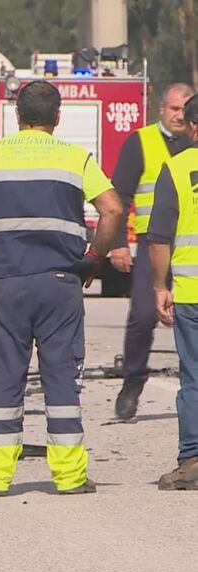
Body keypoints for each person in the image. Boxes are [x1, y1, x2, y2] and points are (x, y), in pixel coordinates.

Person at [0, 81, 124, 496]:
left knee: (4, 378)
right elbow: (112, 208)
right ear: (58, 117)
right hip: (59, 283)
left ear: (17, 116)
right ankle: (70, 478)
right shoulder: (75, 158)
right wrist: (94, 257)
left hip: (6, 282)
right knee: (60, 378)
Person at [110, 83, 196, 422]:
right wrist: (118, 242)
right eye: (174, 108)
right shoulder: (141, 141)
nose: (179, 115)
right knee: (144, 314)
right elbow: (120, 194)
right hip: (153, 243)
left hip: (190, 247)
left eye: (185, 109)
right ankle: (133, 382)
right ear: (162, 109)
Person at [146, 94, 198, 489]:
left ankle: (193, 460)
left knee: (194, 378)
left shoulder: (178, 168)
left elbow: (160, 237)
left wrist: (159, 285)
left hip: (192, 292)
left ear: (192, 126)